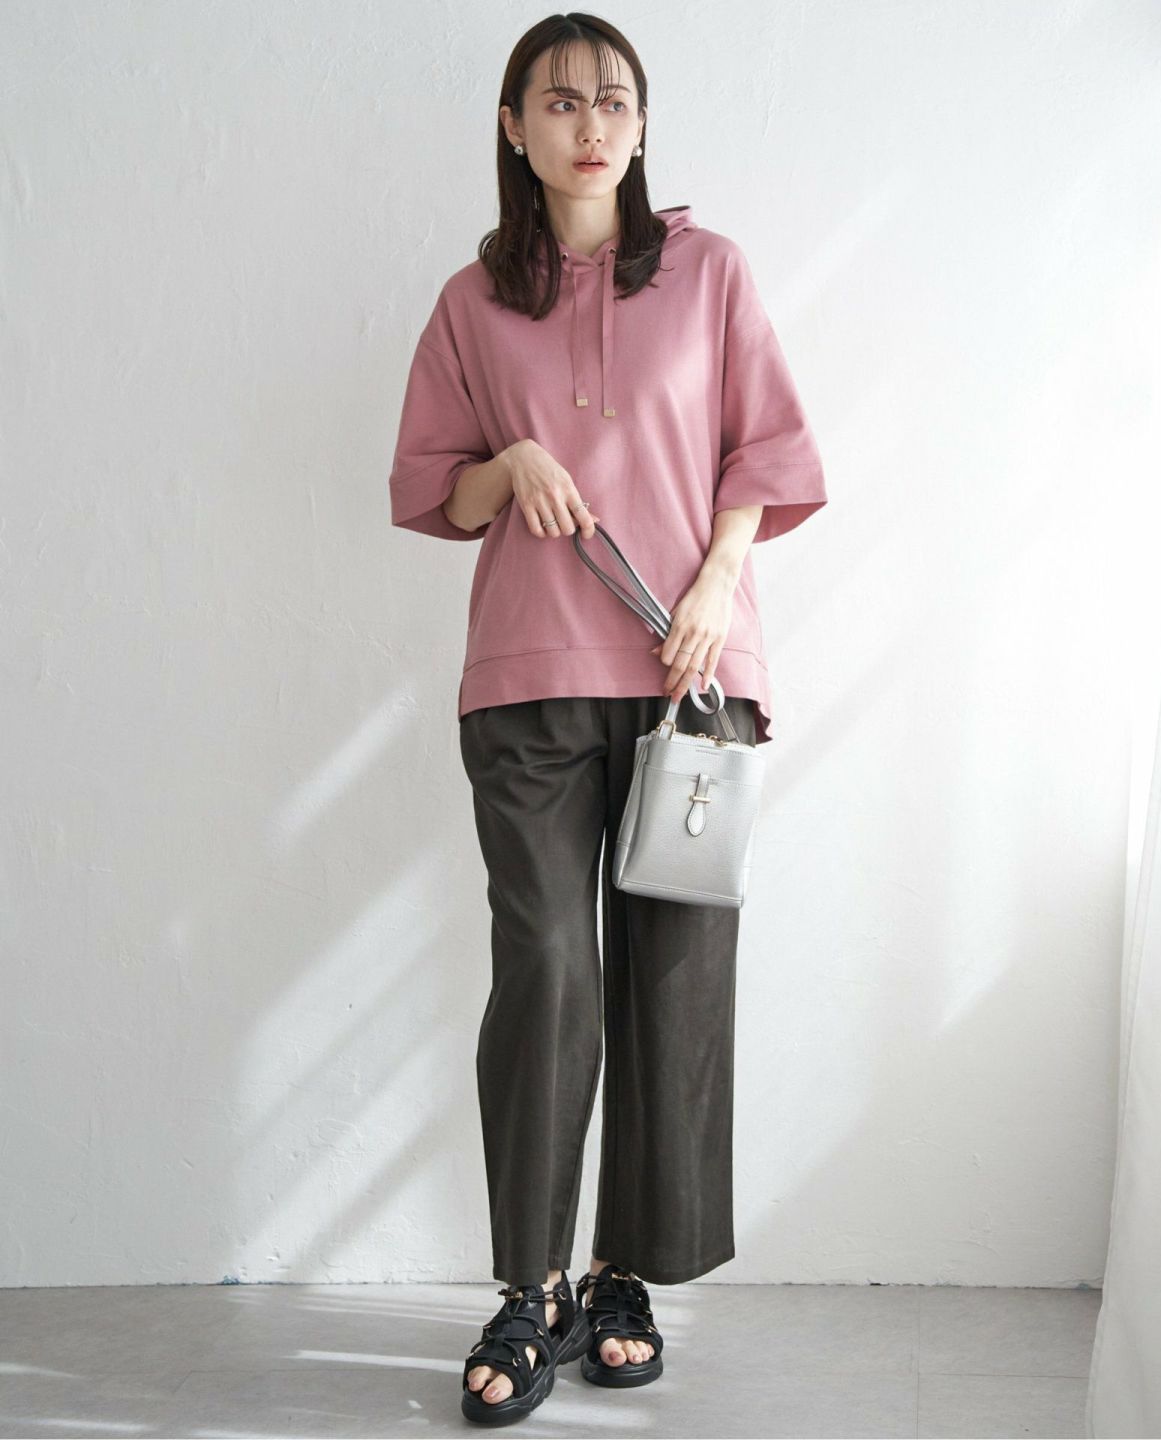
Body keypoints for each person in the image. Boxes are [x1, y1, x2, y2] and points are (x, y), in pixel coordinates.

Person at [386, 13, 828, 1425]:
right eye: (562, 101)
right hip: (527, 679)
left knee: (673, 980)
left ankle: (623, 1275)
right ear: (513, 125)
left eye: (616, 101)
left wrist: (718, 579)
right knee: (548, 973)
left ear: (642, 125)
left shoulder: (711, 273)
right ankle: (531, 1290)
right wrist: (511, 459)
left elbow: (767, 450)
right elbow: (432, 489)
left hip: (690, 679)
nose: (592, 125)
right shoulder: (471, 303)